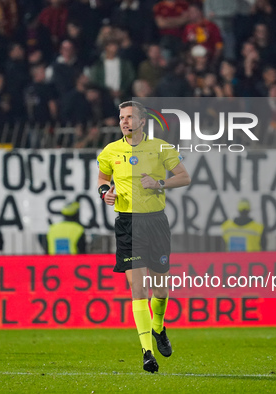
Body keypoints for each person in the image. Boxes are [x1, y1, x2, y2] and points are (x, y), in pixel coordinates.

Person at [97, 101, 191, 373]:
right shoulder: (110, 150)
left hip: (155, 222)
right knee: (137, 289)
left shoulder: (162, 148)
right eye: (121, 118)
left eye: (129, 117)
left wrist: (159, 183)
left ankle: (159, 328)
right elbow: (103, 178)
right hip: (128, 224)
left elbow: (184, 177)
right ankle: (147, 352)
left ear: (142, 122)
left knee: (160, 290)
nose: (124, 122)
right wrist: (105, 193)